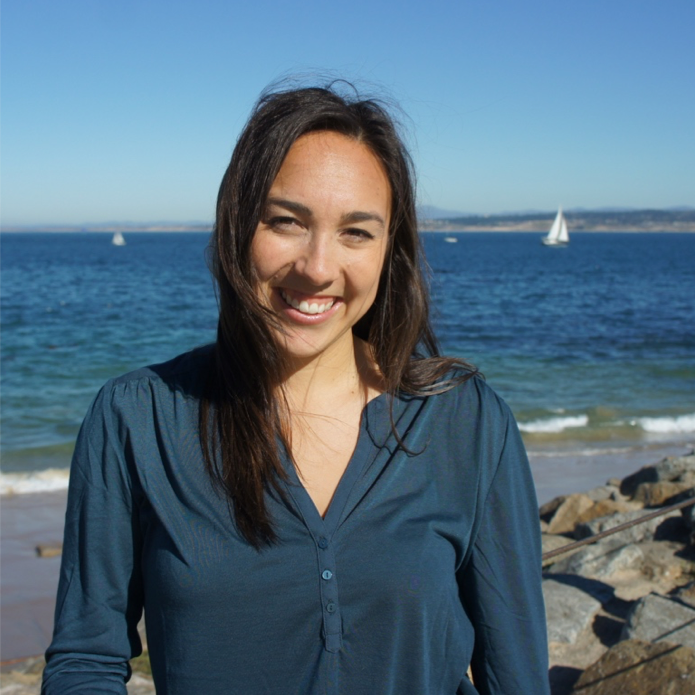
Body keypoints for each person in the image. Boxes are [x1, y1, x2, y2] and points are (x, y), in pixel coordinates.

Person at [42, 82, 549, 694]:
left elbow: (516, 674)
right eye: (286, 222)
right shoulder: (136, 419)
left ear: (391, 252)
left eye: (356, 232)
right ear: (237, 227)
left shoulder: (466, 422)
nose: (316, 266)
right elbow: (85, 664)